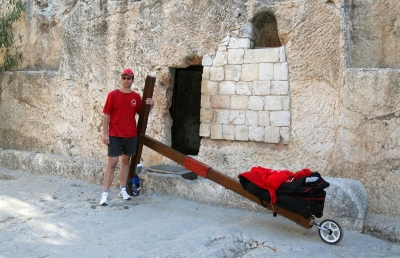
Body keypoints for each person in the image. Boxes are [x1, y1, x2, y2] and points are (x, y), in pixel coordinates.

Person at [99, 68, 154, 206]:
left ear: (133, 80)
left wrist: (151, 106)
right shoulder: (113, 95)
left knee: (125, 162)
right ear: (121, 79)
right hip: (115, 135)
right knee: (112, 163)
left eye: (129, 78)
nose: (126, 80)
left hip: (130, 135)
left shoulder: (135, 97)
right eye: (124, 78)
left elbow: (142, 113)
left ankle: (123, 189)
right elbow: (106, 115)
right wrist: (105, 133)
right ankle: (105, 194)